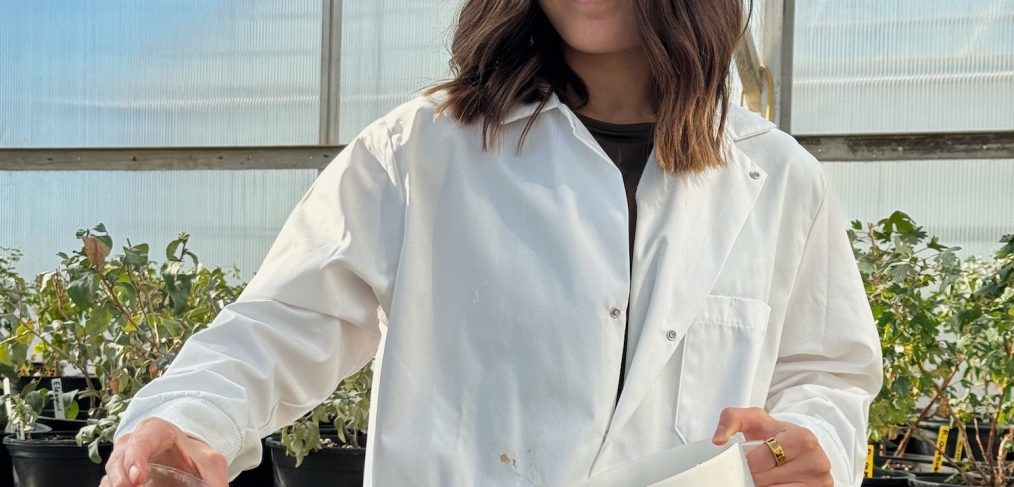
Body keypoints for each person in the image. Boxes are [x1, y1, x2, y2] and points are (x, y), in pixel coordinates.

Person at [101, 0, 883, 486]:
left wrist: (817, 440)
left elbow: (828, 370)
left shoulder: (780, 179)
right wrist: (190, 417)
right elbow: (282, 322)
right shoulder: (421, 151)